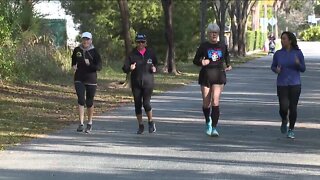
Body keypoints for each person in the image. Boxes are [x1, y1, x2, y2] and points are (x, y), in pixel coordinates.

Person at [193, 23, 232, 137]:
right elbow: (195, 60)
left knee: (215, 101)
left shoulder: (223, 46)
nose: (213, 35)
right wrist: (202, 62)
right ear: (208, 34)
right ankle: (207, 121)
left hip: (219, 75)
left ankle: (214, 128)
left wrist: (228, 65)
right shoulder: (204, 46)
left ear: (218, 34)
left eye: (215, 33)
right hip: (206, 75)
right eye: (211, 33)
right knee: (206, 103)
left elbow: (227, 58)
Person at [271, 31, 306, 139]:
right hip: (282, 84)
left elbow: (303, 69)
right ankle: (284, 119)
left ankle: (291, 129)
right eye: (281, 39)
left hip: (295, 84)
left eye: (284, 39)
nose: (282, 40)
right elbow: (273, 66)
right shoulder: (278, 53)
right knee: (283, 107)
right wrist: (276, 70)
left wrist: (297, 64)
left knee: (293, 107)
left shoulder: (298, 53)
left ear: (290, 40)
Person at [122, 33, 158, 134]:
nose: (140, 44)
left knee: (146, 103)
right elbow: (124, 68)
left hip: (148, 82)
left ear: (145, 43)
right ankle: (140, 125)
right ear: (136, 43)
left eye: (142, 42)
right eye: (138, 42)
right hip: (136, 83)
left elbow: (156, 63)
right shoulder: (132, 54)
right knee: (137, 104)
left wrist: (155, 68)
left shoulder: (150, 53)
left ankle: (151, 122)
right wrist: (130, 68)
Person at [72, 32, 102, 133]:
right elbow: (73, 60)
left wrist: (90, 65)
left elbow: (99, 67)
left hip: (91, 79)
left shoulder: (94, 52)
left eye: (87, 39)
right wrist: (74, 66)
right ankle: (81, 123)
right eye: (84, 39)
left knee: (89, 102)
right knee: (81, 99)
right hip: (79, 78)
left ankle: (89, 123)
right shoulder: (77, 50)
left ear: (91, 40)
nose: (85, 41)